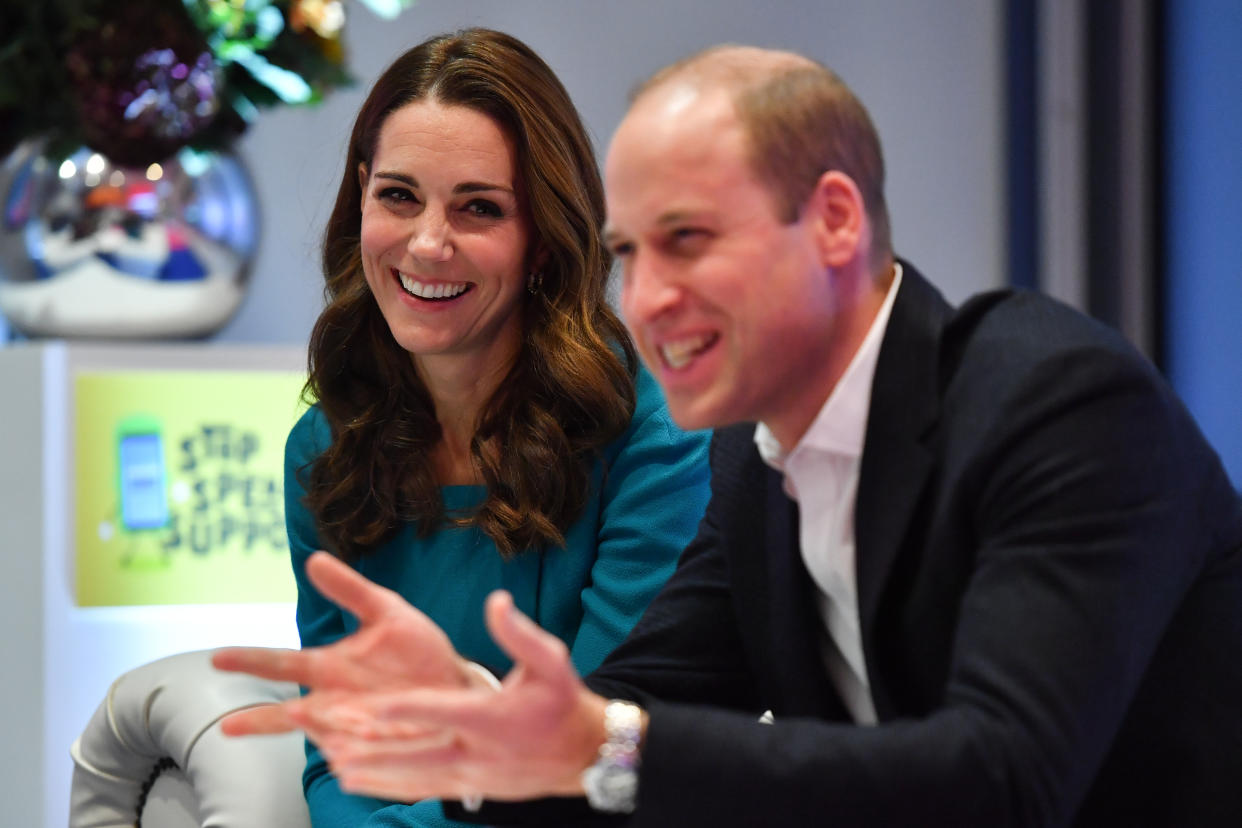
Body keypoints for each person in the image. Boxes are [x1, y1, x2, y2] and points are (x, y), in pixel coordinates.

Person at [215, 44, 1242, 827]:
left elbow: (1005, 780)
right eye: (629, 253)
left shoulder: (1053, 397)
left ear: (835, 221)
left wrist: (595, 744)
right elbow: (621, 720)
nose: (649, 298)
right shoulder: (754, 469)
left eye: (689, 240)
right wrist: (486, 727)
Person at [269, 28, 711, 828]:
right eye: (398, 196)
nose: (428, 244)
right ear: (361, 196)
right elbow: (338, 759)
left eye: (479, 208)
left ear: (542, 238)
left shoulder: (654, 435)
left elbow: (591, 753)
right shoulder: (323, 449)